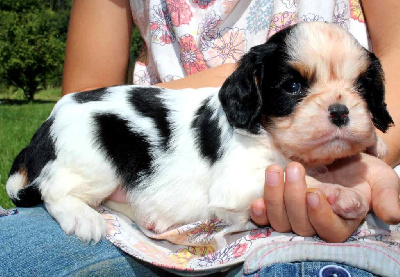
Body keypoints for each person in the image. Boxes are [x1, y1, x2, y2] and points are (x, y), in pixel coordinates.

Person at [1, 0, 399, 276]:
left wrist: (368, 154)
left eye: (357, 85)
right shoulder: (244, 130)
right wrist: (320, 188)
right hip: (126, 212)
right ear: (254, 89)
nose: (338, 105)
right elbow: (234, 194)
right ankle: (58, 192)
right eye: (295, 86)